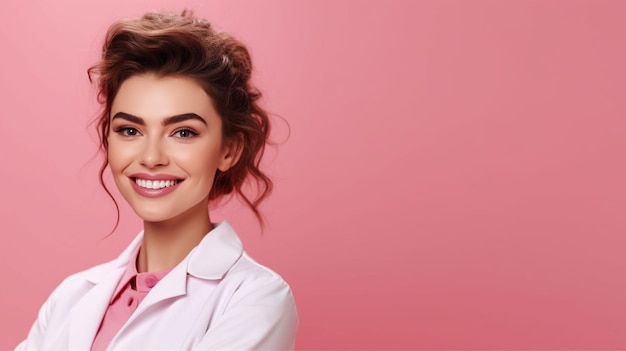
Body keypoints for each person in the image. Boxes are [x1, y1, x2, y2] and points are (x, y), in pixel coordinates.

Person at [16, 10, 298, 351]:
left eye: (183, 132)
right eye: (130, 130)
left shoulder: (254, 299)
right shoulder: (71, 297)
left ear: (229, 150)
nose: (151, 157)